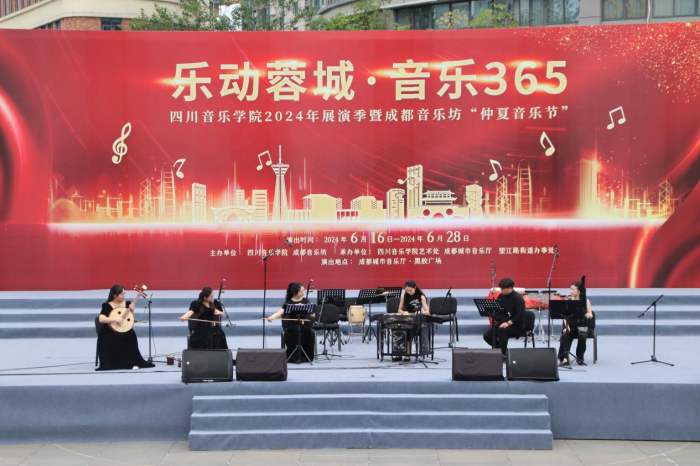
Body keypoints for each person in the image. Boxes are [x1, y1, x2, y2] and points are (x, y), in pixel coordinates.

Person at [96, 284, 155, 371]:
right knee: (112, 336)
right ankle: (113, 363)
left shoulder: (127, 304)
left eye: (124, 293)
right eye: (122, 294)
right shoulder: (107, 305)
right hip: (109, 329)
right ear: (114, 295)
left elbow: (131, 320)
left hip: (124, 328)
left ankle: (131, 362)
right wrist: (116, 319)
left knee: (131, 334)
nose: (124, 296)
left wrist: (132, 310)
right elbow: (101, 319)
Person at [268, 282, 315, 364]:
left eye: (303, 291)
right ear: (295, 293)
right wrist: (271, 317)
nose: (303, 293)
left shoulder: (306, 301)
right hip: (292, 326)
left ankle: (306, 357)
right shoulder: (288, 302)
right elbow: (280, 312)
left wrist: (310, 310)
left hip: (304, 325)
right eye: (301, 291)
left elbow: (313, 315)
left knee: (309, 333)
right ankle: (294, 357)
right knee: (295, 332)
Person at [482, 277, 525, 359]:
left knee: (502, 330)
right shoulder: (501, 296)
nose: (501, 290)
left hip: (516, 326)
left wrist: (508, 323)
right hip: (502, 323)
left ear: (510, 288)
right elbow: (498, 311)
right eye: (501, 288)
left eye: (503, 289)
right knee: (487, 336)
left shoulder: (518, 299)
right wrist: (496, 318)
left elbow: (520, 316)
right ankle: (501, 350)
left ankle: (503, 355)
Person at [558, 281, 594, 366]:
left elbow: (591, 314)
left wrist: (588, 315)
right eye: (570, 289)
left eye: (573, 289)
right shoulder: (569, 301)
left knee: (582, 336)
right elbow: (565, 316)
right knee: (565, 335)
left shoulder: (585, 301)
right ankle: (565, 358)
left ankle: (580, 358)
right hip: (571, 327)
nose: (571, 291)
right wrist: (566, 326)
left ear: (578, 291)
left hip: (582, 327)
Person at [393, 280, 430, 363]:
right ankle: (398, 354)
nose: (409, 292)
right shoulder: (404, 296)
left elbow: (427, 312)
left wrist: (420, 312)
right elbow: (399, 310)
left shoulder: (421, 297)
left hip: (416, 320)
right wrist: (404, 312)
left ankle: (407, 354)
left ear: (415, 288)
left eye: (411, 290)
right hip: (406, 318)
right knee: (398, 328)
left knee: (408, 330)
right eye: (407, 290)